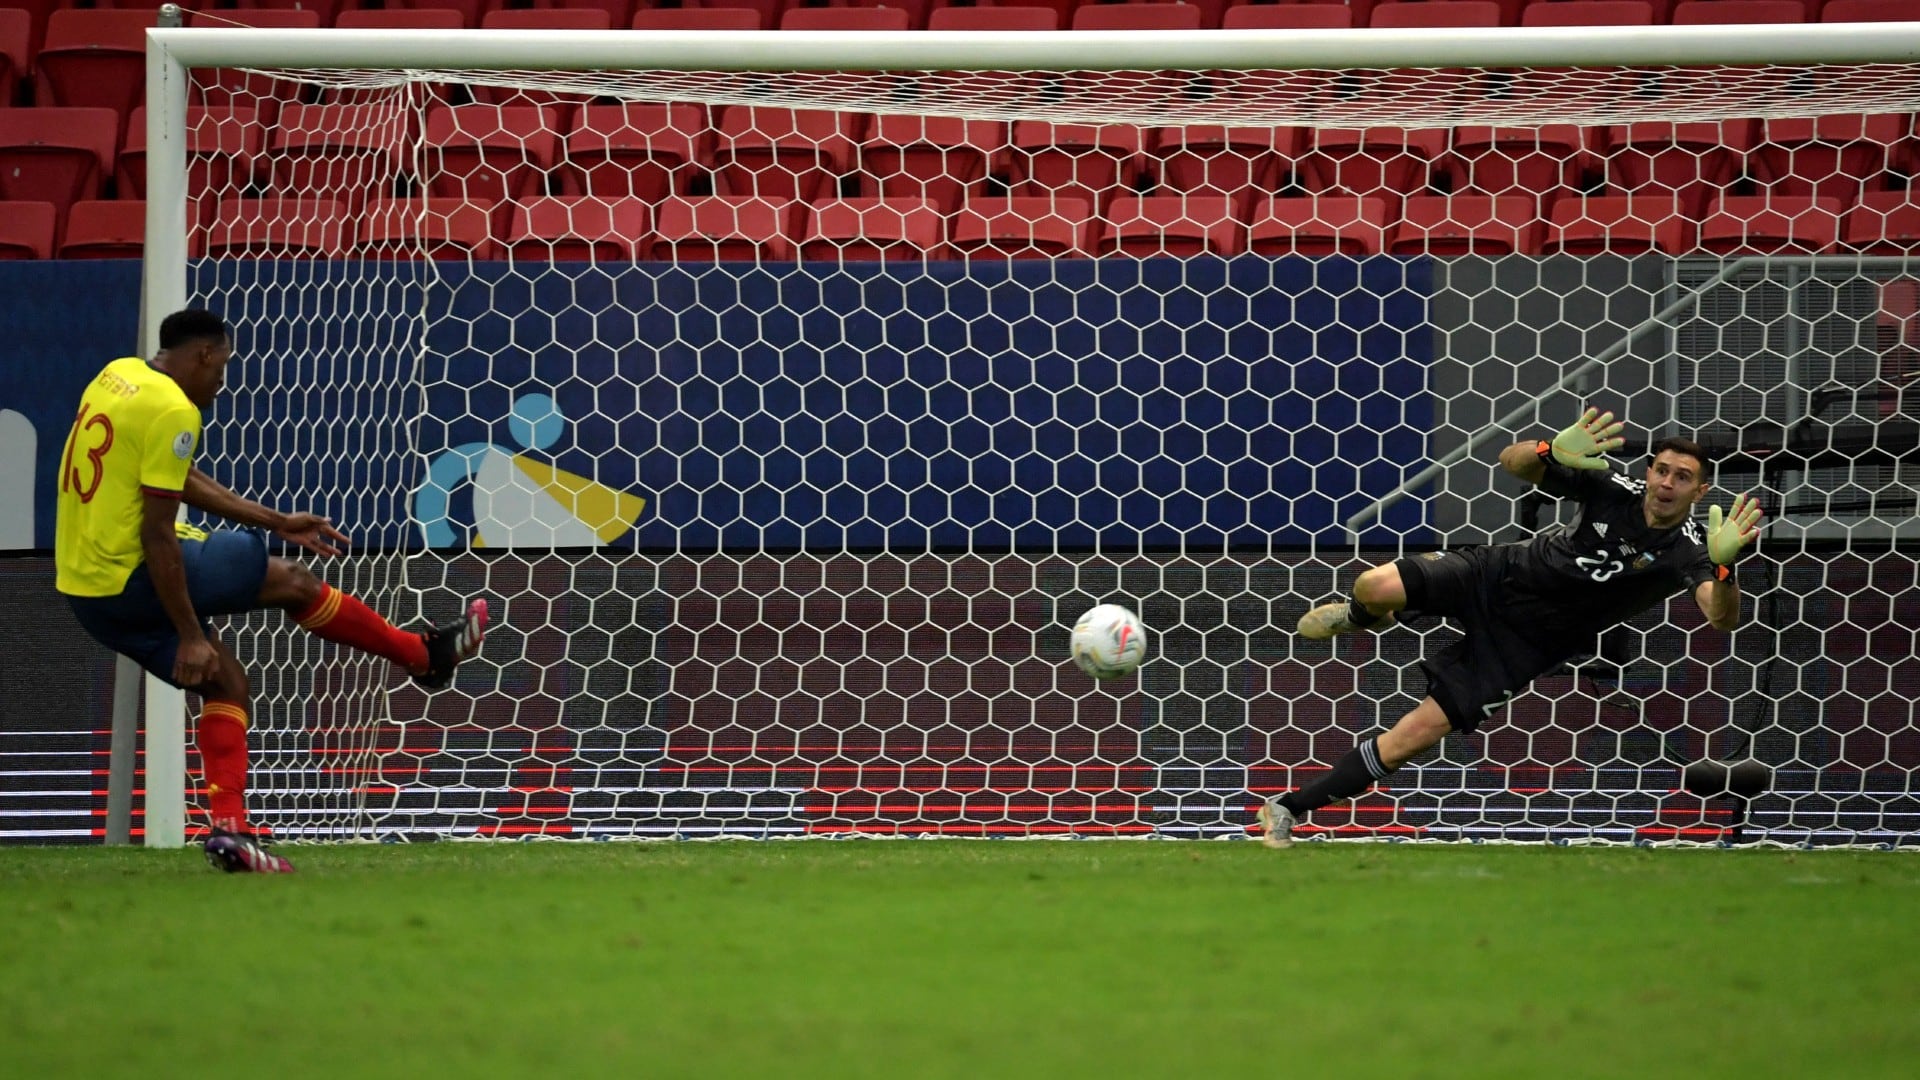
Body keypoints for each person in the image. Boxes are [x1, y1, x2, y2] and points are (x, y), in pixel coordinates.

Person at [55, 309, 489, 873]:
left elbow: (170, 477)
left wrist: (273, 516)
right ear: (204, 354)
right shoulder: (173, 409)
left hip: (85, 587)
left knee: (227, 680)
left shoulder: (118, 375)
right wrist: (190, 633)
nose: (223, 380)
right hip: (131, 573)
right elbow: (158, 531)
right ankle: (423, 656)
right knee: (256, 563)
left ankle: (229, 834)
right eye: (223, 365)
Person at [1257, 408, 1764, 848]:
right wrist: (1548, 450)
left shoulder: (1695, 548)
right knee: (1373, 584)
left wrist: (1724, 569)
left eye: (1681, 476)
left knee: (1413, 736)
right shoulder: (1612, 489)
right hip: (1498, 575)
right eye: (1661, 470)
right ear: (1649, 472)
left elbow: (1722, 616)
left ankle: (1288, 808)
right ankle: (1364, 618)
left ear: (1701, 490)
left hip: (1530, 641)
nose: (1666, 483)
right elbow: (1511, 463)